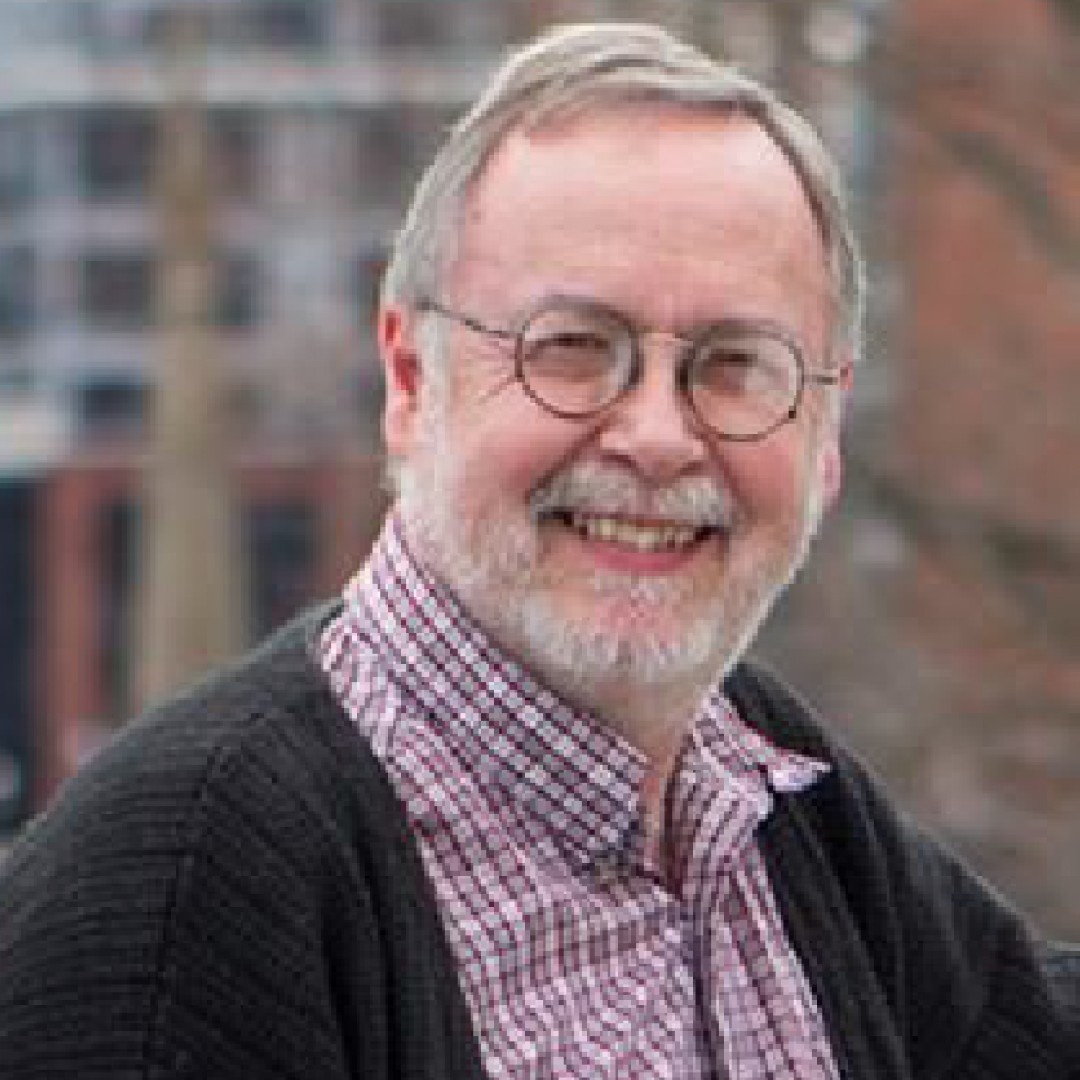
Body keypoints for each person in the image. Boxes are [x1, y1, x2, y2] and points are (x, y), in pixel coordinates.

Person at [0, 22, 1075, 1080]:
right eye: (572, 349)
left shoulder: (766, 790)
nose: (657, 436)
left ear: (826, 434)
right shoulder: (184, 896)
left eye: (734, 363)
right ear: (412, 380)